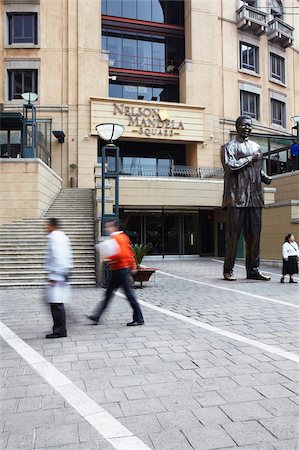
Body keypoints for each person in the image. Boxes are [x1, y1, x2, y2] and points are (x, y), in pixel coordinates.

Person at [221, 115, 272, 281]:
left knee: (255, 237)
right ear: (237, 127)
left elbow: (256, 169)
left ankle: (253, 270)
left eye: (250, 125)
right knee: (233, 237)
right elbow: (230, 166)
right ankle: (228, 270)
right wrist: (250, 159)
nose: (247, 128)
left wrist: (264, 177)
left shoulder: (256, 146)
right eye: (244, 125)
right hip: (237, 198)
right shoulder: (228, 146)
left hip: (255, 197)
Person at [87, 219, 144, 326]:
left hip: (120, 270)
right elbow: (130, 253)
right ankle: (96, 316)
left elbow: (121, 255)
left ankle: (139, 318)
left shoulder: (117, 238)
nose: (106, 228)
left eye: (108, 226)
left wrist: (109, 256)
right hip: (120, 269)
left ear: (114, 227)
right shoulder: (123, 237)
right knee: (110, 294)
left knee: (127, 295)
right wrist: (133, 266)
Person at [44, 218, 73, 338]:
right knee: (56, 302)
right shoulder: (63, 236)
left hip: (58, 273)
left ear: (52, 226)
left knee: (56, 303)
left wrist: (55, 275)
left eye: (46, 225)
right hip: (63, 272)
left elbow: (58, 256)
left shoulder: (54, 238)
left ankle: (60, 330)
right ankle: (61, 327)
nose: (45, 228)